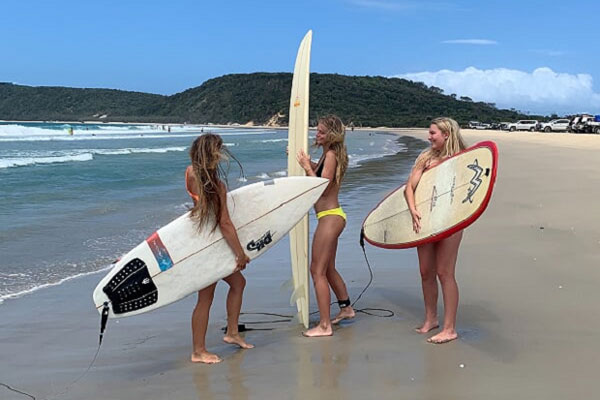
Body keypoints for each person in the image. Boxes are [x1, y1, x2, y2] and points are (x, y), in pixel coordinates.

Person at [186, 134, 253, 363]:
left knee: (238, 283)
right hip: (209, 246)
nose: (223, 155)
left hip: (204, 239)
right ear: (212, 152)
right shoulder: (215, 185)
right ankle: (198, 351)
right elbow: (224, 222)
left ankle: (232, 333)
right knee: (205, 297)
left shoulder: (191, 173)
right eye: (219, 150)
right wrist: (240, 254)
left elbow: (201, 210)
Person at [404, 117, 467, 344]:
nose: (429, 137)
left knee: (444, 272)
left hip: (451, 221)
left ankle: (450, 328)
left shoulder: (462, 159)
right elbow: (409, 188)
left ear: (446, 135)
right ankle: (431, 319)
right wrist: (412, 210)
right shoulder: (425, 157)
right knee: (425, 272)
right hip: (424, 221)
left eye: (433, 133)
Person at [296, 115, 355, 337]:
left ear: (332, 134)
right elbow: (321, 173)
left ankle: (324, 325)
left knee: (316, 270)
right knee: (328, 269)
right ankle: (346, 308)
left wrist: (305, 167)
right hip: (331, 216)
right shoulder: (328, 155)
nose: (316, 134)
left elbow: (321, 185)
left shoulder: (330, 156)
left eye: (321, 131)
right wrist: (307, 162)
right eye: (317, 130)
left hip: (330, 217)